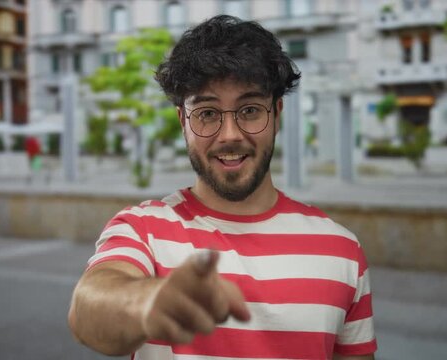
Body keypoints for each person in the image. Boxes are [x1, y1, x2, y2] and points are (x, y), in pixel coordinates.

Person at [68, 15, 377, 360]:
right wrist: (147, 301)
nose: (230, 135)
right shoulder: (143, 230)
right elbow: (89, 310)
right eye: (208, 114)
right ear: (182, 121)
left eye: (249, 110)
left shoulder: (342, 249)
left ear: (277, 113)